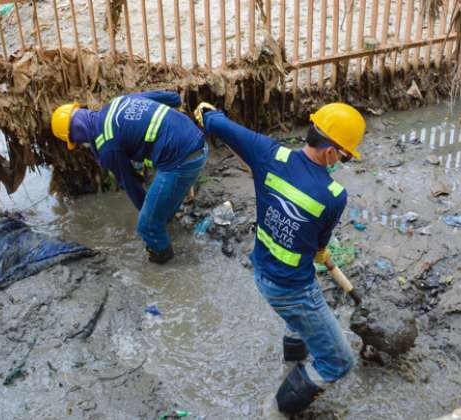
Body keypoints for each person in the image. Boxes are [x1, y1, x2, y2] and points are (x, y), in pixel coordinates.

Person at [194, 101, 366, 414]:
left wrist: (208, 114)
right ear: (331, 151)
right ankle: (275, 411)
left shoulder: (268, 152)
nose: (342, 160)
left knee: (298, 320)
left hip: (261, 271)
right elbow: (317, 249)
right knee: (338, 362)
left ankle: (293, 362)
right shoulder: (333, 196)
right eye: (343, 154)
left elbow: (219, 125)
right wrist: (320, 251)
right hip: (293, 289)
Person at [51, 91, 207, 264]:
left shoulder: (107, 147)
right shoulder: (118, 101)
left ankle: (167, 266)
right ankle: (170, 227)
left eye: (75, 140)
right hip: (197, 139)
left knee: (147, 225)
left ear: (76, 133)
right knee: (161, 213)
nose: (80, 144)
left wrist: (148, 218)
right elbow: (174, 98)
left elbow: (131, 185)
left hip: (181, 161)